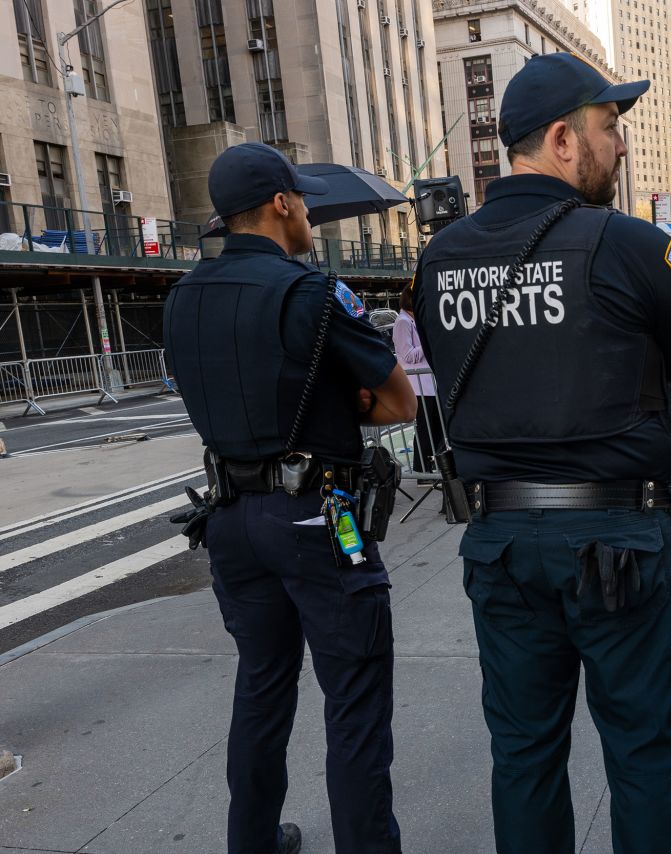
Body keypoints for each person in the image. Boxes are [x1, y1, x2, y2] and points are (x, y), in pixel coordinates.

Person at [411, 53, 671, 852]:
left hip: (502, 543)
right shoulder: (624, 243)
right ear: (561, 139)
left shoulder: (438, 258)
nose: (618, 147)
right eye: (609, 129)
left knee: (523, 754)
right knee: (645, 748)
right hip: (616, 541)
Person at [163, 143, 416, 854]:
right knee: (356, 703)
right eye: (300, 199)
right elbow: (398, 403)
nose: (307, 211)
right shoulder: (311, 292)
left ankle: (254, 842)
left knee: (262, 690)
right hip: (317, 519)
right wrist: (341, 410)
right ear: (280, 205)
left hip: (232, 521)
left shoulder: (182, 298)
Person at [392, 283, 444, 476]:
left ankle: (433, 463)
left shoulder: (414, 322)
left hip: (429, 384)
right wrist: (429, 345)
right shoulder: (403, 322)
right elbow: (407, 354)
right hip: (418, 386)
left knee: (436, 426)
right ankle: (422, 468)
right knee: (425, 429)